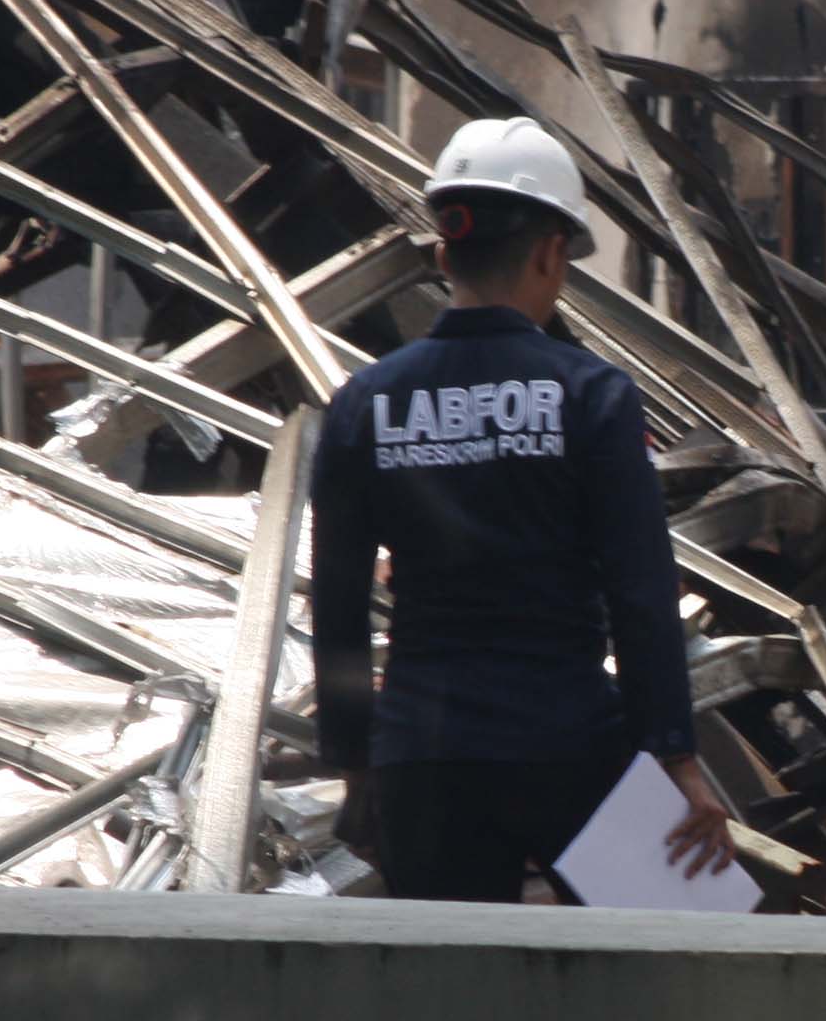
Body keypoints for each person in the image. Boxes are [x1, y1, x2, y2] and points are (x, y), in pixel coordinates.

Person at [310, 116, 732, 900]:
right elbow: (640, 592)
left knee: (448, 1004)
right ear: (550, 251)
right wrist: (675, 756)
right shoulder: (592, 394)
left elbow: (335, 603)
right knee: (658, 971)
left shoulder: (364, 403)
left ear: (443, 252)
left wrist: (357, 764)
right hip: (572, 748)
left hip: (423, 756)